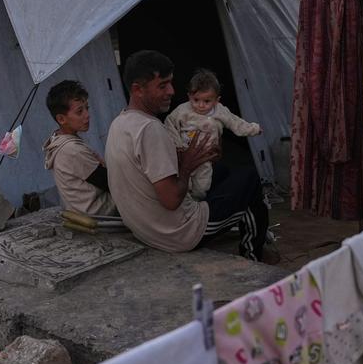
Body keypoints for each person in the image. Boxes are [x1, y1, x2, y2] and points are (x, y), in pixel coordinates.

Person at [106, 50, 270, 261]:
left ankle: (250, 233)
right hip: (178, 232)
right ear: (138, 89)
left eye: (171, 83)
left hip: (146, 229)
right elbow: (172, 199)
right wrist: (187, 166)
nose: (171, 91)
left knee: (221, 172)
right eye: (162, 85)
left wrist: (197, 158)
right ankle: (253, 255)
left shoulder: (120, 122)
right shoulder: (150, 129)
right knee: (250, 180)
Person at [164, 68, 262, 200]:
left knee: (202, 186)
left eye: (207, 101)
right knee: (183, 183)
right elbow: (169, 124)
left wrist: (254, 129)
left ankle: (197, 202)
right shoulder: (182, 111)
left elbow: (236, 123)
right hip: (183, 156)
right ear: (189, 96)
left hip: (205, 158)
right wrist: (178, 146)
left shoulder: (220, 112)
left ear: (217, 100)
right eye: (196, 100)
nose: (200, 105)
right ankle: (186, 204)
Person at [42, 79, 116, 216]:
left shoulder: (58, 140)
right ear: (61, 119)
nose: (87, 115)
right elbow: (109, 183)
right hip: (99, 213)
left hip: (80, 210)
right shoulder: (71, 150)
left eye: (87, 108)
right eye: (79, 111)